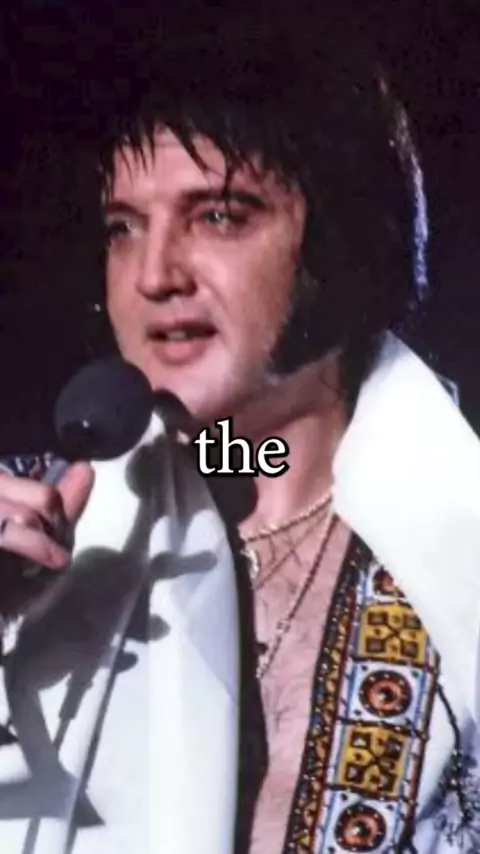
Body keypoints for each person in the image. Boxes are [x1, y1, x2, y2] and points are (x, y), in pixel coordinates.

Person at [0, 7, 480, 854]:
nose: (154, 276)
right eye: (123, 227)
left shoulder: (459, 543)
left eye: (219, 216)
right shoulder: (30, 525)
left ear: (339, 239)